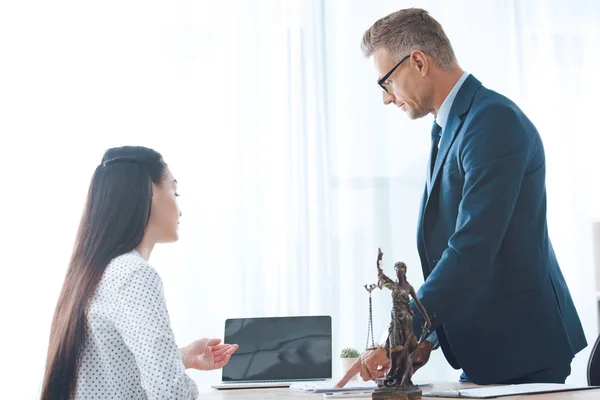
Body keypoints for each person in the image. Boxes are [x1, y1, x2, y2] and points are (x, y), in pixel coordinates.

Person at [337, 8, 587, 387]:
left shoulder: (492, 121)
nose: (387, 99)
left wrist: (402, 332)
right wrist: (424, 338)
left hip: (523, 350)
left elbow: (472, 247)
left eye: (386, 82)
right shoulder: (453, 125)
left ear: (418, 62)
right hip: (492, 353)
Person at [40, 146, 238, 400]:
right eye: (174, 191)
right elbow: (171, 393)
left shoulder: (98, 270)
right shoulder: (133, 273)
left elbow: (111, 373)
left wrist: (183, 357)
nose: (180, 209)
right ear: (150, 192)